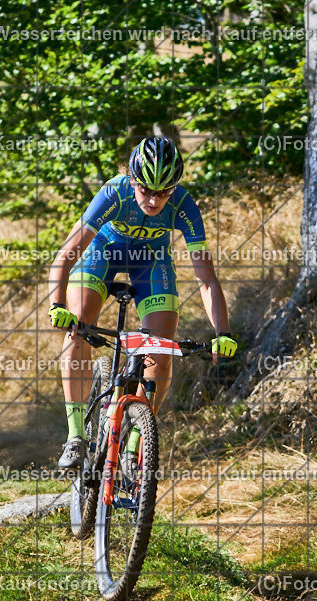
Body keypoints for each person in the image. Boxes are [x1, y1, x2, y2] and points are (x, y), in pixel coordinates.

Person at [47, 136, 238, 470]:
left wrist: (222, 331)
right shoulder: (114, 193)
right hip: (102, 254)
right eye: (146, 190)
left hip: (151, 262)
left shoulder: (183, 205)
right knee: (78, 326)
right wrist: (56, 305)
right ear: (133, 180)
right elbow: (66, 254)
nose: (153, 200)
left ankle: (136, 443)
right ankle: (76, 436)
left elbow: (206, 278)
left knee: (160, 350)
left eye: (163, 193)